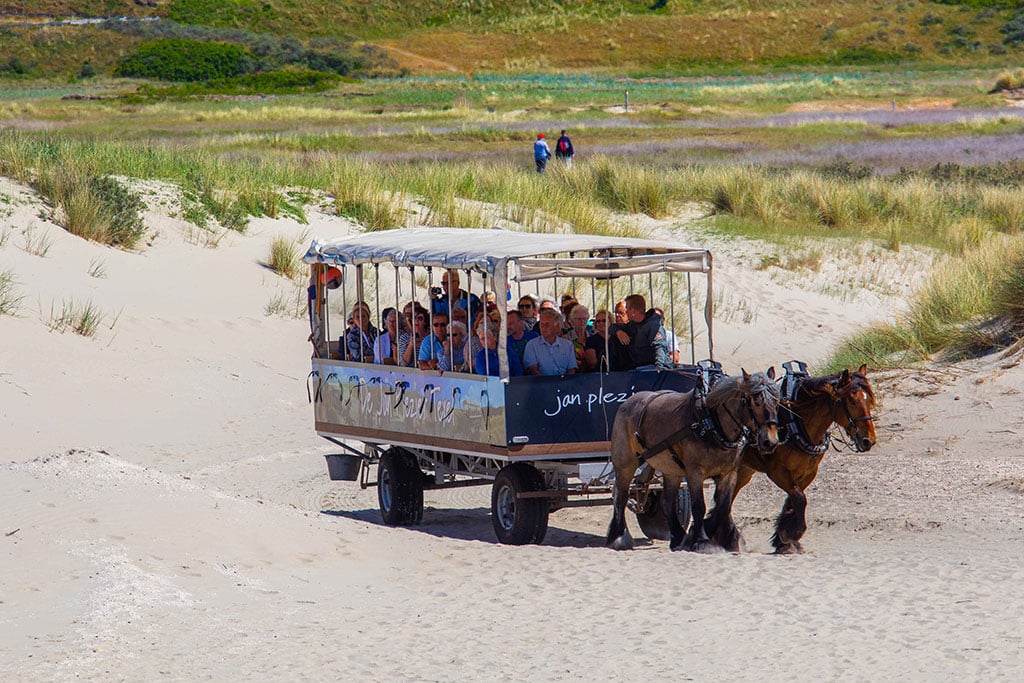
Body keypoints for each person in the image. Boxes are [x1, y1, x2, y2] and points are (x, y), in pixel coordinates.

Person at [609, 294, 671, 370]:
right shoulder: (632, 325)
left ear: (633, 311)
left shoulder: (653, 326)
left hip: (652, 369)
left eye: (627, 308)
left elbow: (659, 348)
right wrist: (618, 331)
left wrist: (658, 369)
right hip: (638, 368)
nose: (626, 311)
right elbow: (611, 328)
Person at [524, 308, 577, 376]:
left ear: (556, 326)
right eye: (541, 324)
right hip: (541, 384)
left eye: (547, 324)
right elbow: (533, 370)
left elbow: (571, 369)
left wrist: (565, 383)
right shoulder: (531, 345)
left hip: (564, 383)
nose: (543, 327)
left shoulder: (568, 345)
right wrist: (547, 384)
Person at [400, 301, 428, 367]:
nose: (416, 321)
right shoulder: (404, 338)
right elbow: (403, 363)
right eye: (414, 318)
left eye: (420, 318)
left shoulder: (431, 337)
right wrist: (410, 345)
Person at [566, 303, 590, 371]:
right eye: (579, 319)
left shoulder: (592, 337)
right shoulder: (566, 338)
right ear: (572, 320)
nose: (582, 321)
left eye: (584, 319)